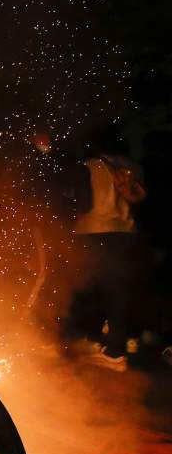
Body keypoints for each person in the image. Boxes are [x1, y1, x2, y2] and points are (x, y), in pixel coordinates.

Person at [63, 127, 148, 370]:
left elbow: (81, 203)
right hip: (126, 232)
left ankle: (93, 343)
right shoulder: (135, 167)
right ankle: (114, 346)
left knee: (86, 286)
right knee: (118, 290)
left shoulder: (89, 165)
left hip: (93, 231)